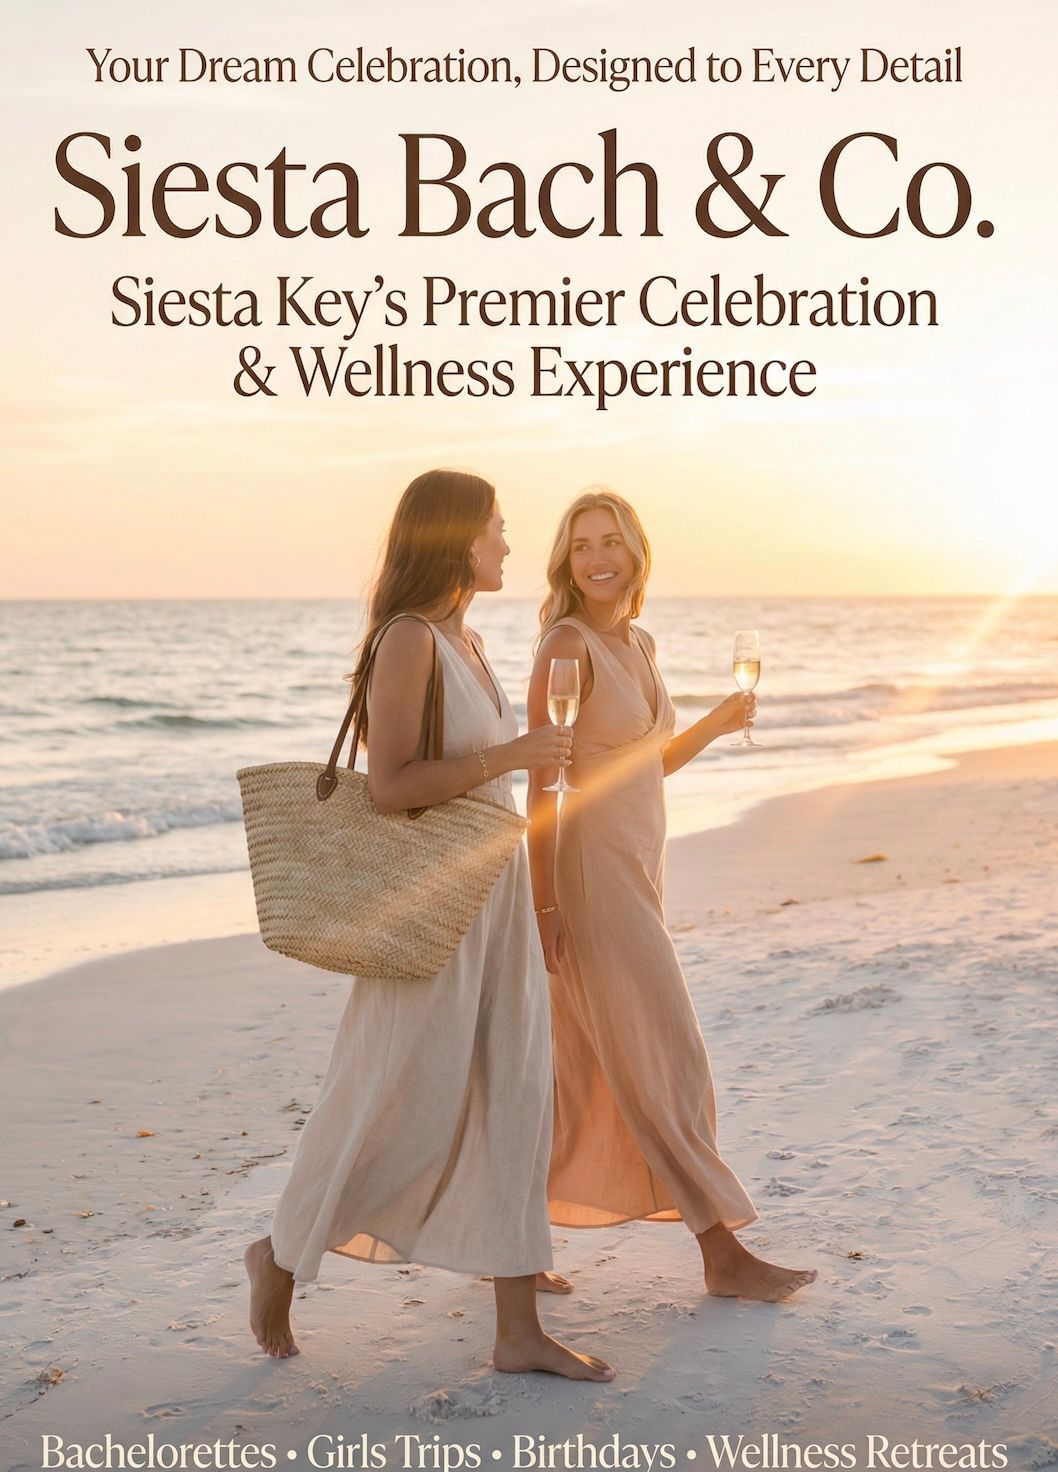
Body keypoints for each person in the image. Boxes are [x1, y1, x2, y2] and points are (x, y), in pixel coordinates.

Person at [245, 469, 614, 1380]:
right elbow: (391, 787)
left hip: (494, 894)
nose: (508, 544)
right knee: (390, 1101)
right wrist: (518, 753)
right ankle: (280, 1256)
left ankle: (517, 1328)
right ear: (455, 538)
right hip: (430, 908)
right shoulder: (408, 639)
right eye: (497, 528)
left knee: (518, 1093)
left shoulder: (471, 639)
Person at [526, 489, 816, 1301]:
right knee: (665, 1054)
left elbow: (642, 765)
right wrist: (545, 906)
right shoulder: (566, 644)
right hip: (589, 879)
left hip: (638, 870)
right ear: (566, 561)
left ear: (636, 552)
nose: (596, 558)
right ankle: (721, 1251)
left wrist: (717, 724)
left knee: (581, 1068)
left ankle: (504, 1239)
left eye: (610, 541)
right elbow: (543, 784)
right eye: (581, 545)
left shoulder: (640, 642)